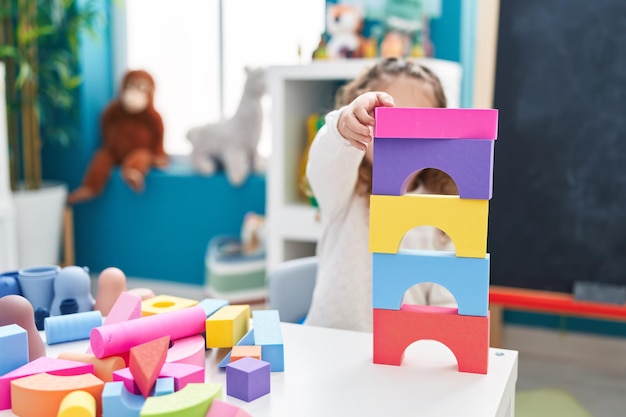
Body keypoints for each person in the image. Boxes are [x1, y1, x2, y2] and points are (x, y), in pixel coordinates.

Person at [304, 57, 458, 332]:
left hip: (403, 359)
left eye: (419, 124)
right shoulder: (346, 193)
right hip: (330, 345)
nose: (403, 136)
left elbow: (449, 300)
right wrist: (344, 126)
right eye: (388, 120)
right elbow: (324, 162)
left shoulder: (442, 212)